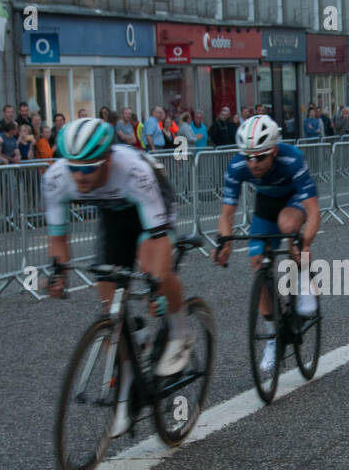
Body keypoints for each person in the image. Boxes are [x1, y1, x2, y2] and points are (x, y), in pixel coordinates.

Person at [43, 117, 191, 436]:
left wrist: (155, 287)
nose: (79, 176)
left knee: (154, 271)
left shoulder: (133, 171)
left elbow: (159, 237)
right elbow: (58, 237)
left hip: (150, 204)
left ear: (108, 159)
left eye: (88, 168)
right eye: (73, 167)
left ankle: (181, 331)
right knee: (110, 308)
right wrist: (58, 272)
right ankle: (125, 392)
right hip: (112, 213)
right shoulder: (57, 176)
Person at [212, 115, 320, 375]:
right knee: (256, 263)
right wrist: (224, 243)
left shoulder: (291, 158)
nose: (253, 164)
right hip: (266, 204)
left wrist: (304, 244)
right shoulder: (238, 165)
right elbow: (227, 214)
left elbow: (314, 211)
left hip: (293, 200)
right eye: (248, 157)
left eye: (259, 157)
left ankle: (304, 277)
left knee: (287, 225)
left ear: (273, 150)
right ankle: (273, 335)